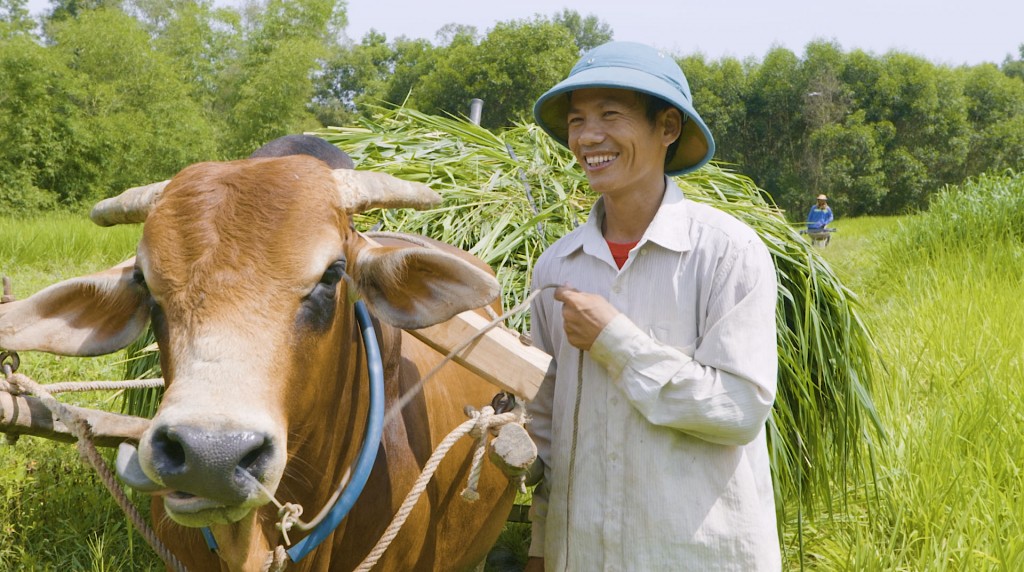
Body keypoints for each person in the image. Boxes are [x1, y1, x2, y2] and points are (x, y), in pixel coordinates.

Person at [524, 41, 781, 571]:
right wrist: (540, 546)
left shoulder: (726, 252)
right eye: (577, 120)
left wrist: (616, 340)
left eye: (610, 115)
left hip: (696, 555)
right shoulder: (556, 268)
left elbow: (739, 410)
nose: (588, 136)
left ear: (667, 128)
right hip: (584, 555)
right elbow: (545, 423)